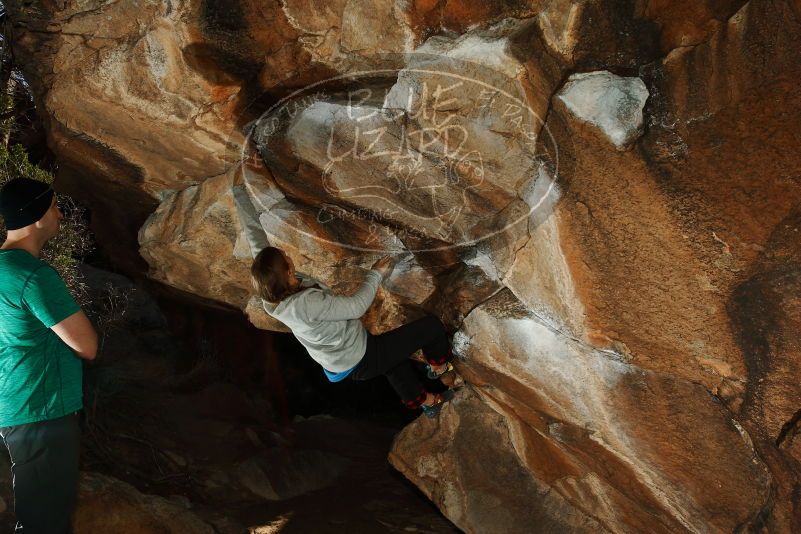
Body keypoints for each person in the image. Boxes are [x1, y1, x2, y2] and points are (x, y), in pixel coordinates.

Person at [251, 246, 457, 417]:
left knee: (393, 361)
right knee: (432, 328)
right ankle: (441, 370)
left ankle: (429, 403)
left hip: (345, 356)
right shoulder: (305, 305)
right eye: (285, 256)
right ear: (287, 272)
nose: (287, 253)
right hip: (360, 357)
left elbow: (257, 243)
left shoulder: (273, 295)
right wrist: (375, 274)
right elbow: (356, 307)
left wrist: (242, 194)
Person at [0, 177, 98, 533]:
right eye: (54, 206)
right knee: (43, 523)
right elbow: (87, 345)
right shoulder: (32, 275)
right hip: (43, 411)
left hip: (13, 407)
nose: (58, 214)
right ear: (37, 215)